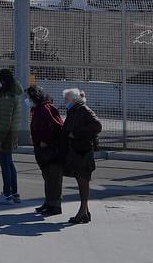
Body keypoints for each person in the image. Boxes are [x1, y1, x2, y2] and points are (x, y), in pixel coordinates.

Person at [62, 88, 102, 225]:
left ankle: (82, 212)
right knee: (81, 181)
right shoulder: (74, 110)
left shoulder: (83, 110)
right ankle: (85, 212)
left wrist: (76, 134)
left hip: (83, 151)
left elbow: (97, 126)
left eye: (66, 99)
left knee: (83, 182)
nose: (65, 102)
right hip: (78, 150)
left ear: (73, 100)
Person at [27, 85, 65, 216]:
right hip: (42, 150)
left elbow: (58, 127)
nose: (28, 100)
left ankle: (55, 205)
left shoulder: (46, 108)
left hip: (51, 150)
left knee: (54, 178)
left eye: (29, 97)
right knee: (47, 177)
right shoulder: (38, 109)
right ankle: (49, 202)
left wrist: (47, 141)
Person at [0, 68, 23, 204]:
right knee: (9, 163)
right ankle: (14, 193)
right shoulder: (12, 95)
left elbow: (5, 121)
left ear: (3, 81)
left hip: (4, 136)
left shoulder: (7, 98)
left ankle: (7, 194)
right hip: (10, 135)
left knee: (5, 165)